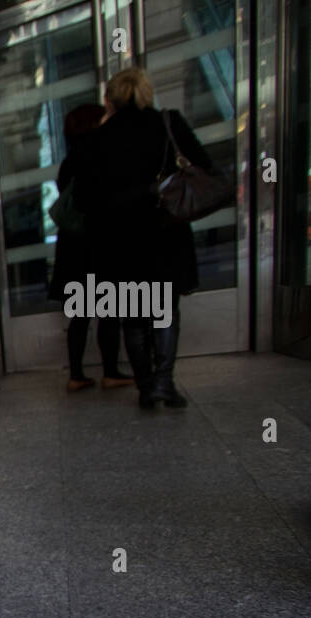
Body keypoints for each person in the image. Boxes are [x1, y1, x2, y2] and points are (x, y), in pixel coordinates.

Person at [75, 68, 215, 409]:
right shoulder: (168, 124)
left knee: (134, 316)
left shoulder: (97, 140)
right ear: (146, 93)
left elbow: (84, 201)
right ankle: (163, 382)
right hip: (165, 231)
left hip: (120, 239)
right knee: (165, 309)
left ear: (110, 99)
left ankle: (146, 386)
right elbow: (203, 166)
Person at [50, 102, 132, 393]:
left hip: (74, 247)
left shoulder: (69, 161)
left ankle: (76, 374)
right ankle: (110, 371)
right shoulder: (100, 157)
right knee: (108, 311)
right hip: (99, 243)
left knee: (80, 315)